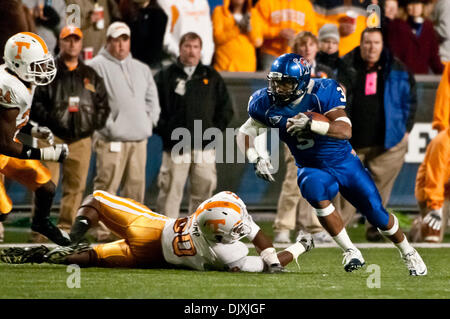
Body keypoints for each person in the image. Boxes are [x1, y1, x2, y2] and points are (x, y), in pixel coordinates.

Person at [236, 52, 427, 276]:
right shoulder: (264, 102)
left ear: (301, 82)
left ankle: (408, 251)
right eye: (275, 81)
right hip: (311, 166)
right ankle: (350, 251)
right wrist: (255, 156)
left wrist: (313, 125)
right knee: (311, 187)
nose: (278, 88)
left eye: (285, 83)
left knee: (377, 214)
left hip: (344, 163)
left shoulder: (322, 92)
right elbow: (245, 132)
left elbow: (345, 130)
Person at [0, 190, 314, 273]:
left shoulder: (214, 205)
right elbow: (262, 259)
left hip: (150, 226)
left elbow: (247, 226)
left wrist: (270, 255)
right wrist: (300, 248)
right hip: (150, 258)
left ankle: (71, 238)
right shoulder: (227, 252)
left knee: (95, 200)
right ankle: (56, 255)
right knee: (93, 259)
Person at [337, 28, 417, 241]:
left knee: (379, 190)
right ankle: (336, 230)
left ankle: (376, 228)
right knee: (348, 187)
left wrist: (406, 130)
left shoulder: (398, 68)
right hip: (352, 141)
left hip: (387, 142)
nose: (371, 47)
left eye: (376, 43)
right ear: (361, 44)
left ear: (383, 46)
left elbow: (411, 101)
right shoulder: (346, 66)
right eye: (367, 43)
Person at [30, 25, 110, 236]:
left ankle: (64, 232)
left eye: (76, 39)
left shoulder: (90, 74)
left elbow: (103, 105)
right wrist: (53, 122)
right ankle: (40, 232)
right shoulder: (48, 71)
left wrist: (90, 125)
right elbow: (36, 103)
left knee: (75, 189)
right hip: (51, 137)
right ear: (60, 42)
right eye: (67, 39)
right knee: (45, 185)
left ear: (81, 43)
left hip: (81, 140)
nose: (72, 44)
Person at [0, 32, 70, 246]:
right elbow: (4, 143)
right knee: (3, 210)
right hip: (3, 147)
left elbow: (12, 122)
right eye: (37, 65)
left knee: (46, 186)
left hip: (5, 146)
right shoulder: (8, 87)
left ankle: (41, 223)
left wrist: (33, 130)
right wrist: (45, 153)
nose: (44, 69)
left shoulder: (20, 80)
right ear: (19, 64)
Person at [154, 32, 233, 219]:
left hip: (204, 147)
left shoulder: (211, 76)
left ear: (201, 50)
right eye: (187, 47)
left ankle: (196, 235)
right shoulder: (165, 76)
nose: (191, 51)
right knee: (170, 194)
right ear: (179, 49)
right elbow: (153, 109)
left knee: (203, 194)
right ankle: (165, 235)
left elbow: (226, 110)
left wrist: (212, 133)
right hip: (175, 146)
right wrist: (168, 133)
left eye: (195, 47)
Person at [88, 21, 160, 207]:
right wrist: (109, 128)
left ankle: (133, 231)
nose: (121, 44)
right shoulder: (94, 66)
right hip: (110, 139)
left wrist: (148, 122)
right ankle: (102, 233)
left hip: (138, 139)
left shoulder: (141, 68)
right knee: (106, 188)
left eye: (125, 39)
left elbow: (153, 100)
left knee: (135, 189)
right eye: (116, 40)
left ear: (130, 41)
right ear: (108, 42)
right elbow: (90, 103)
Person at [273, 31, 333, 244]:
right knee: (293, 180)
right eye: (302, 45)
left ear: (317, 48)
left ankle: (314, 226)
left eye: (311, 44)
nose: (307, 48)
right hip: (295, 129)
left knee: (316, 179)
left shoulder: (326, 73)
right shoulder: (287, 70)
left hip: (318, 131)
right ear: (295, 48)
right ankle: (284, 225)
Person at [409, 128, 449, 243]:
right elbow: (435, 178)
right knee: (432, 239)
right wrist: (435, 208)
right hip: (434, 192)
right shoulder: (443, 142)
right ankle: (418, 228)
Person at [252, 0, 318, 70]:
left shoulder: (305, 4)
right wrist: (278, 32)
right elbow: (256, 30)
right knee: (272, 80)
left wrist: (297, 34)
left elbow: (312, 32)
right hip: (271, 54)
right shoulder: (265, 2)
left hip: (298, 55)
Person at [386, 0, 443, 74]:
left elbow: (434, 57)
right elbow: (393, 55)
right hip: (402, 77)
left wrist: (443, 73)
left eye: (418, 4)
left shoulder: (428, 27)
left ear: (422, 6)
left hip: (422, 78)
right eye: (411, 4)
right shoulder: (396, 26)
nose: (415, 7)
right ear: (406, 7)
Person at [119, 0, 170, 73]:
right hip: (126, 63)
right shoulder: (125, 11)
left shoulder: (158, 15)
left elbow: (154, 48)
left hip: (148, 66)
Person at [159, 0, 215, 65]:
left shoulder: (203, 2)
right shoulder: (169, 2)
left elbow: (208, 31)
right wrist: (180, 54)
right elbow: (166, 38)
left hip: (202, 63)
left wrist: (206, 58)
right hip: (178, 63)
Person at [211, 0, 262, 72]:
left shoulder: (253, 13)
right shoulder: (219, 11)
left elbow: (258, 42)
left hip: (247, 68)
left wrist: (249, 30)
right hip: (224, 66)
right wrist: (238, 29)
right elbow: (217, 38)